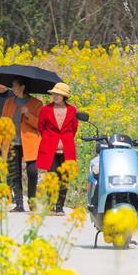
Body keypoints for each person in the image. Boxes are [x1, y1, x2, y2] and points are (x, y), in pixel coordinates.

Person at [0, 77, 43, 212]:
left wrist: (27, 114)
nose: (12, 88)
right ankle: (19, 204)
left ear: (22, 87)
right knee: (15, 173)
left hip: (30, 142)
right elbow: (2, 123)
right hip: (12, 142)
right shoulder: (9, 102)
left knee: (32, 172)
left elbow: (40, 125)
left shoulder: (36, 103)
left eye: (14, 86)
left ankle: (32, 202)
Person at [35, 82, 79, 214]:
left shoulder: (72, 110)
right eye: (54, 94)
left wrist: (65, 140)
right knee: (52, 177)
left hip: (67, 150)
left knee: (64, 178)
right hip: (50, 149)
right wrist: (51, 140)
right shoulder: (45, 110)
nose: (55, 96)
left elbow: (74, 129)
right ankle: (50, 206)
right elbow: (41, 127)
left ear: (64, 96)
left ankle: (60, 207)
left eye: (58, 94)